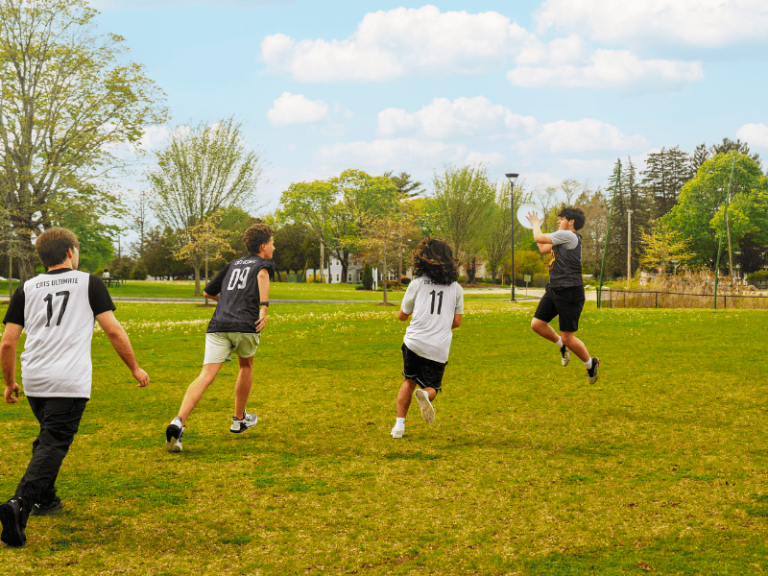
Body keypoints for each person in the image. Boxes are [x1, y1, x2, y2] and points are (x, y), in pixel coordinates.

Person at [0, 228, 150, 548]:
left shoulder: (27, 288)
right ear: (70, 252)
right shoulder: (89, 282)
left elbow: (8, 342)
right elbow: (113, 330)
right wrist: (135, 368)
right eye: (78, 249)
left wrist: (10, 381)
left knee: (47, 439)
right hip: (68, 380)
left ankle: (47, 500)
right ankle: (19, 504)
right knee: (53, 443)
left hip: (35, 379)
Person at [165, 223, 275, 453]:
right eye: (272, 243)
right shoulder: (262, 264)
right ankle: (238, 419)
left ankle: (178, 421)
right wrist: (263, 307)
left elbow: (208, 292)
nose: (274, 248)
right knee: (246, 365)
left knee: (205, 375)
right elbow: (263, 275)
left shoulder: (232, 265)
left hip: (219, 324)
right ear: (263, 246)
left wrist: (227, 304)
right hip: (245, 324)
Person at [391, 237, 463, 439]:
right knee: (432, 387)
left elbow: (402, 316)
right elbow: (457, 322)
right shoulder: (456, 289)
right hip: (437, 347)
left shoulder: (416, 284)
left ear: (422, 259)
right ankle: (426, 395)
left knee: (408, 381)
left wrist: (416, 315)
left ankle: (399, 428)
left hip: (413, 343)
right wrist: (439, 322)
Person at [528, 207, 599, 383]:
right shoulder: (561, 236)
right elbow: (543, 247)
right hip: (555, 288)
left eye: (561, 219)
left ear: (571, 222)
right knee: (537, 325)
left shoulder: (568, 235)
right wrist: (535, 227)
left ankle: (591, 363)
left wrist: (536, 224)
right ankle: (562, 346)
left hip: (570, 291)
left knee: (568, 336)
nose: (558, 221)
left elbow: (539, 237)